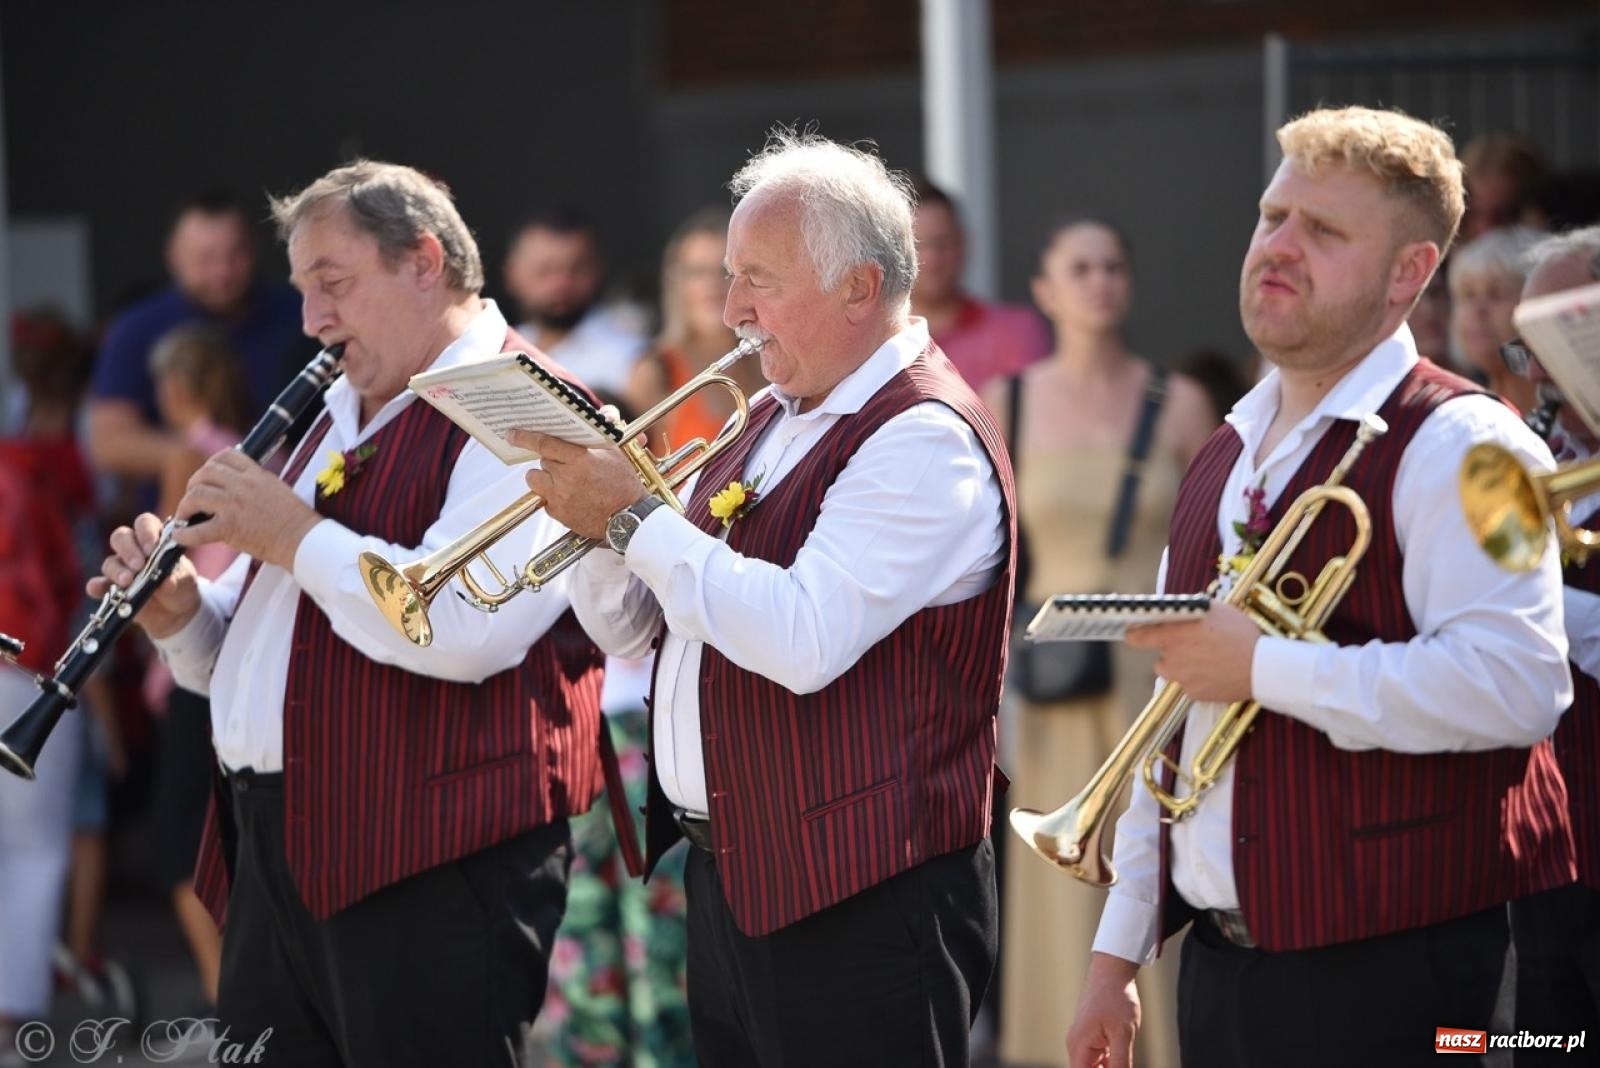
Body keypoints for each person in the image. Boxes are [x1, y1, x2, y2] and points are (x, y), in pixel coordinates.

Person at [1068, 106, 1573, 1068]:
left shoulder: (1476, 445)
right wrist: (1114, 957)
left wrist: (1265, 667)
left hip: (1415, 980)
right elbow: (1170, 724)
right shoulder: (1219, 452)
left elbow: (1521, 683)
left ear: (1409, 274)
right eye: (1273, 217)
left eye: (1325, 231)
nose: (1280, 248)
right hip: (1222, 978)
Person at [93, 160, 616, 1068]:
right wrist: (183, 616)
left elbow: (461, 631)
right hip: (278, 846)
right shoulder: (338, 407)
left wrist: (291, 532)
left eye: (332, 284)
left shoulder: (530, 407)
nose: (311, 320)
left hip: (431, 861)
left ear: (423, 260)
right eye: (301, 290)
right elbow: (284, 649)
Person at [511, 128, 1015, 1067]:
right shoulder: (776, 416)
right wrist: (590, 530)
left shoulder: (921, 437)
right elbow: (633, 627)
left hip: (862, 896)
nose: (731, 308)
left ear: (858, 287)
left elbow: (801, 636)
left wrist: (630, 519)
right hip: (736, 879)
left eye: (758, 279)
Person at [981, 216, 1215, 1068]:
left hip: (1154, 665)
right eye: (1078, 267)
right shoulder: (1004, 401)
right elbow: (989, 552)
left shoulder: (1179, 401)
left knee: (1153, 861)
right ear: (1044, 291)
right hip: (1054, 669)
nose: (1100, 281)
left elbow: (1222, 534)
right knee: (1053, 896)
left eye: (1114, 264)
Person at [1500, 225, 1600, 1061]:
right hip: (1546, 863)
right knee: (1538, 1049)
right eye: (1524, 346)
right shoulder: (1535, 463)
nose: (1534, 372)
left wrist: (1509, 591)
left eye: (1558, 339)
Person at [142, 325, 255, 1013]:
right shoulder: (255, 448)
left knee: (180, 846)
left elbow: (162, 553)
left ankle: (228, 994)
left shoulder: (191, 451)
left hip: (196, 655)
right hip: (237, 652)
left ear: (178, 387)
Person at [0, 311, 95, 1058]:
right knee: (36, 846)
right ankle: (15, 1005)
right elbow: (70, 574)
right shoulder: (67, 451)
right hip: (32, 657)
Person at [85, 189, 306, 501]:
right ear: (173, 256)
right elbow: (108, 443)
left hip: (291, 499)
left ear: (255, 248)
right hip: (186, 514)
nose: (222, 272)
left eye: (235, 255)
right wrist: (205, 453)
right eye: (205, 259)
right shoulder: (137, 327)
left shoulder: (299, 313)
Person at [625, 206, 766, 453]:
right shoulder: (655, 370)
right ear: (676, 282)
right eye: (696, 272)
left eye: (725, 271)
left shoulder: (772, 362)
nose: (711, 285)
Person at [911, 179, 1051, 393]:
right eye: (917, 245)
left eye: (942, 243)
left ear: (963, 244)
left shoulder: (1016, 332)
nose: (932, 257)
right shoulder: (872, 344)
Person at [503, 207, 649, 396]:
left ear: (599, 269)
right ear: (512, 274)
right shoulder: (494, 353)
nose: (561, 283)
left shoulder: (634, 358)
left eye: (577, 269)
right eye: (544, 271)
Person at [1447, 225, 1542, 414]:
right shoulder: (1458, 412)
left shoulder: (1577, 428)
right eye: (1468, 294)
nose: (1477, 310)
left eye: (1497, 293)